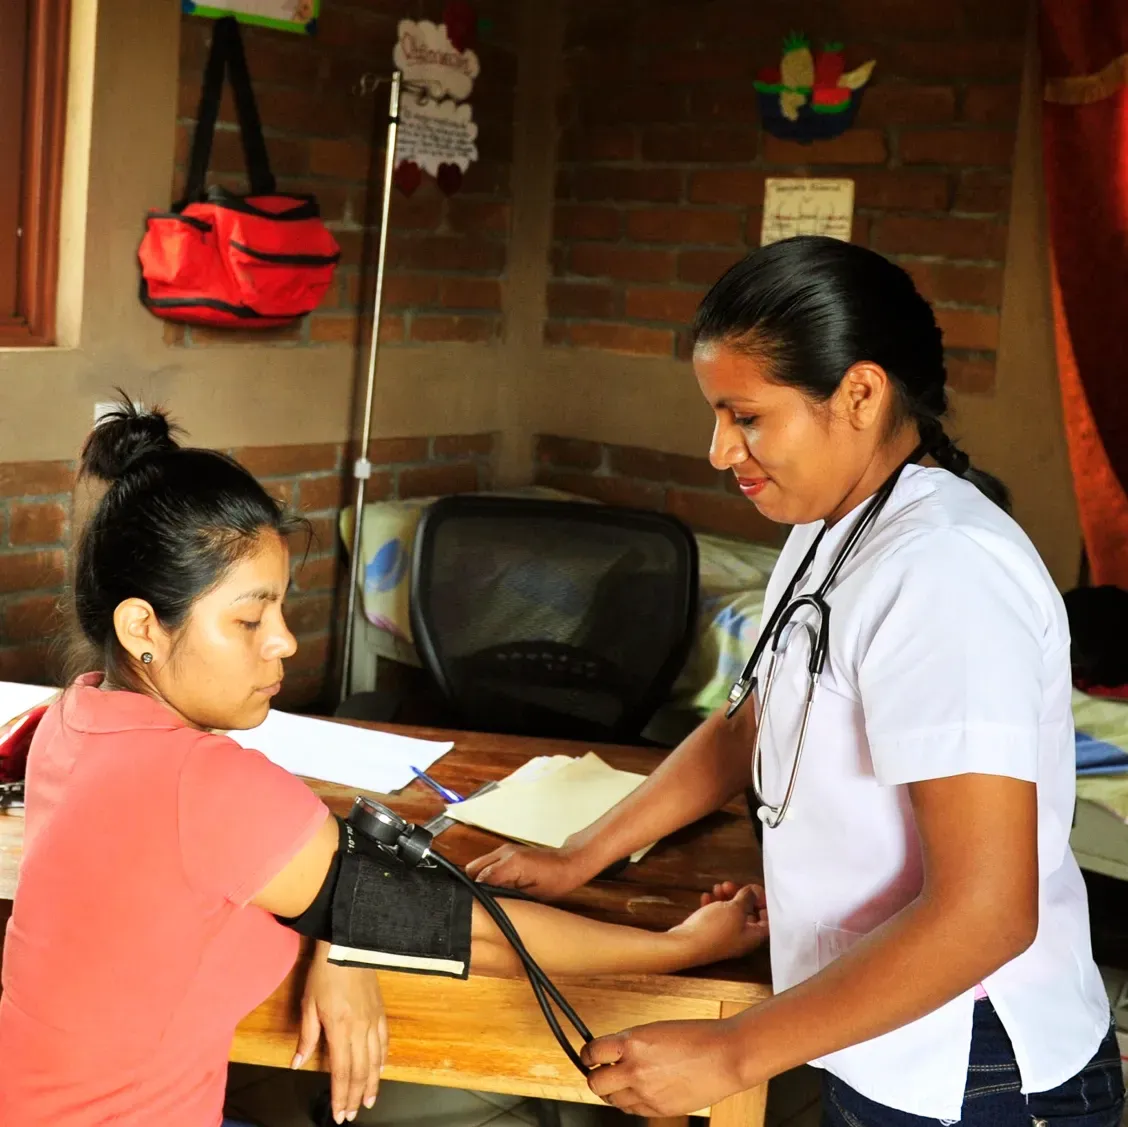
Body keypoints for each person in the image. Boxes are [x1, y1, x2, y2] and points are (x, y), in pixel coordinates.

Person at [467, 237, 1125, 1126]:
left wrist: (732, 1052)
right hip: (870, 1028)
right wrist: (580, 852)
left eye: (744, 415)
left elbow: (986, 913)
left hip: (974, 1066)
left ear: (859, 393)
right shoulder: (834, 526)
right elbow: (749, 724)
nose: (716, 449)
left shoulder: (944, 573)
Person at [0, 401, 769, 1127]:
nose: (284, 642)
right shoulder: (207, 784)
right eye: (248, 618)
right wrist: (685, 946)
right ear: (144, 626)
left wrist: (347, 926)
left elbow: (296, 873)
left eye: (281, 610)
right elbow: (481, 933)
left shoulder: (73, 719)